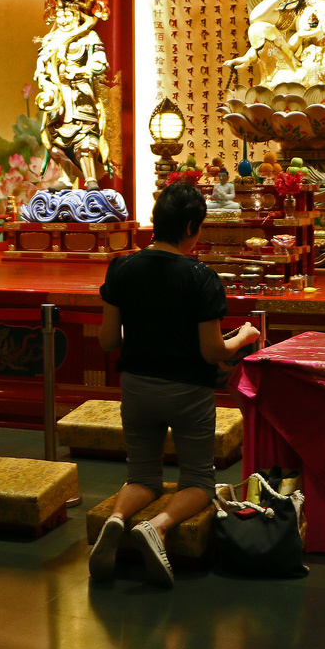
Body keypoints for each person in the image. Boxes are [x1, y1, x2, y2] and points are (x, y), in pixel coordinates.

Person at [93, 181, 263, 586]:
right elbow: (211, 352)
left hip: (136, 386)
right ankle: (159, 527)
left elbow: (107, 341)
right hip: (188, 390)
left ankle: (117, 518)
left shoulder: (121, 267)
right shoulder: (201, 277)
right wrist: (244, 336)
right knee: (199, 481)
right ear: (190, 227)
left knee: (142, 477)